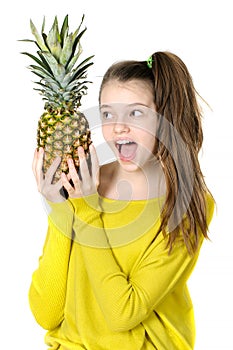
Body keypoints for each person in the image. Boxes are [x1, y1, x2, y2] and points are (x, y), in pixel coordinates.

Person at [30, 51, 215, 349]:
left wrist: (87, 209)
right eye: (107, 113)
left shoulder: (188, 203)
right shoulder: (83, 184)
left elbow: (122, 314)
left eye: (136, 113)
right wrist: (60, 206)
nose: (118, 127)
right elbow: (46, 313)